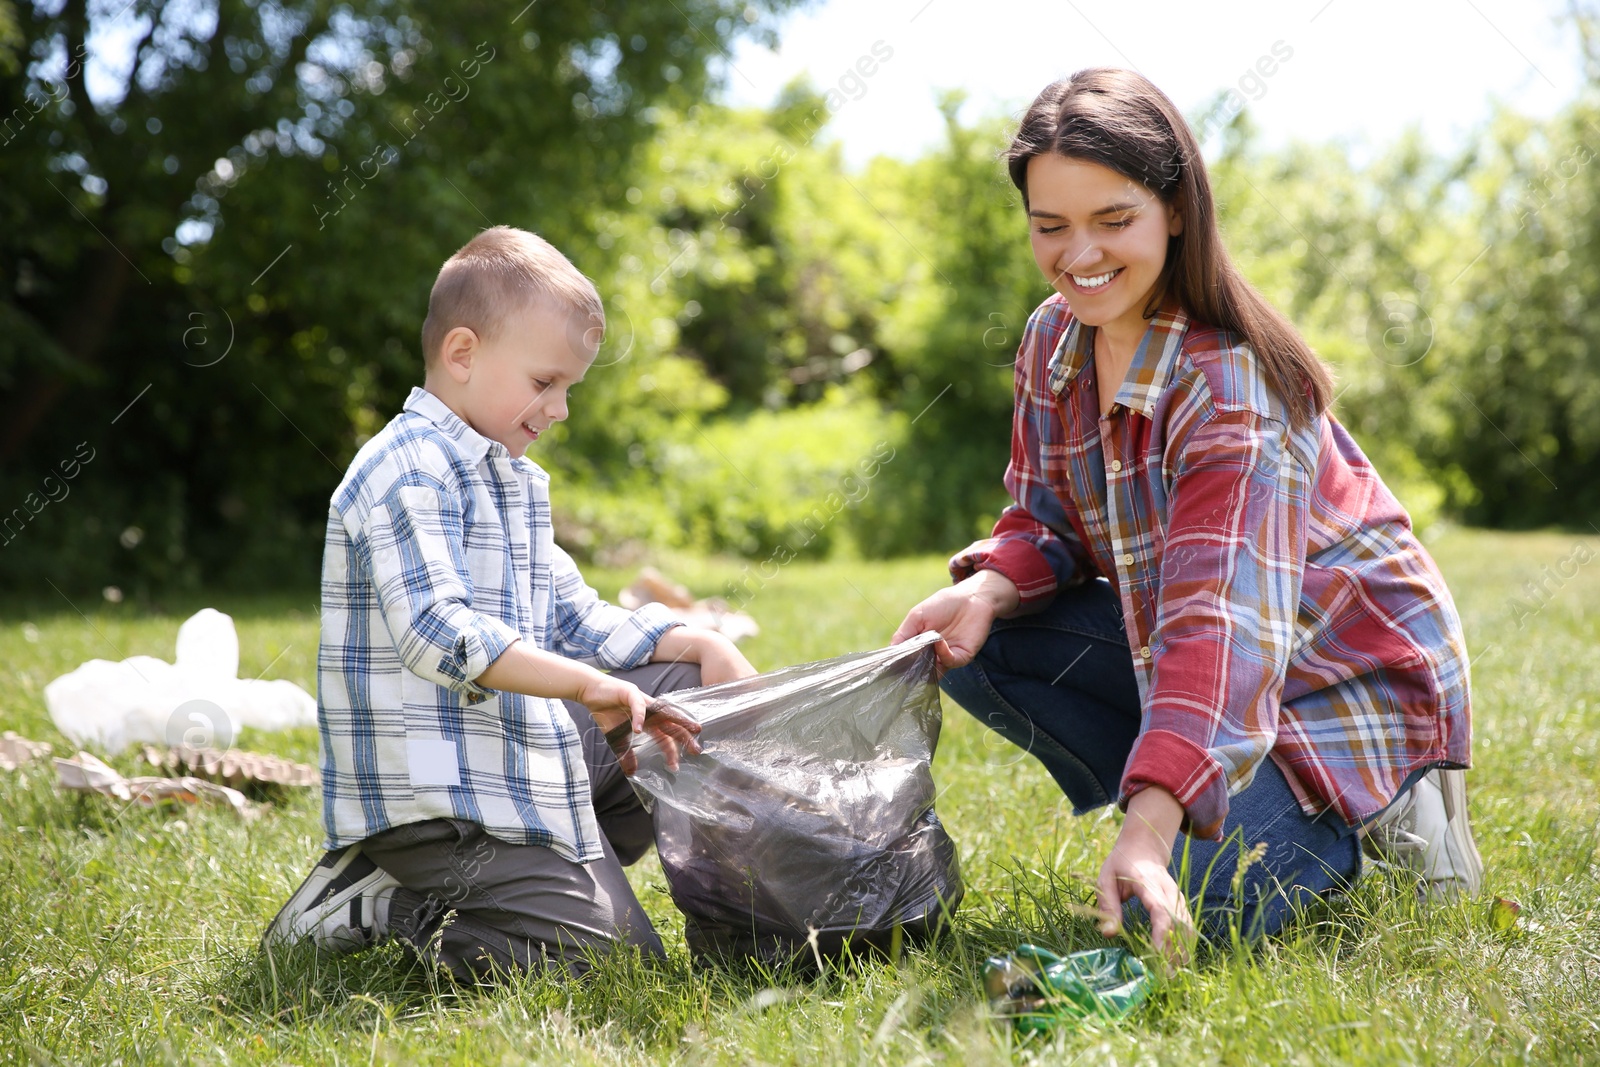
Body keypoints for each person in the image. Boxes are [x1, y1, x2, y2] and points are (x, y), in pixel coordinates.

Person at [891, 69, 1482, 960]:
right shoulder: (1055, 338)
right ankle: (1192, 774)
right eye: (1050, 226)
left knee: (1174, 924)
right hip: (1198, 652)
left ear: (1174, 209)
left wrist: (1149, 827)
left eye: (1112, 220)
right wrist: (995, 588)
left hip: (1333, 684)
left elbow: (1224, 630)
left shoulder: (1230, 388)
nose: (1077, 253)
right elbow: (1046, 519)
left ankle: (1382, 808)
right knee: (980, 645)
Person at [261, 226, 757, 981]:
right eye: (544, 382)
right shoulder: (404, 468)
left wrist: (696, 643)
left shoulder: (513, 477)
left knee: (680, 701)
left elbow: (575, 617)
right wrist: (587, 684)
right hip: (442, 805)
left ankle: (547, 887)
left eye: (568, 389)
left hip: (517, 766)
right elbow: (438, 630)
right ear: (462, 354)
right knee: (618, 967)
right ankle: (390, 908)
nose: (558, 408)